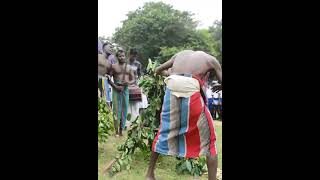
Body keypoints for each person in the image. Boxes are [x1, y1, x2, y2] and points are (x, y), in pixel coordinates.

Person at [146, 50, 222, 180]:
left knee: (163, 132)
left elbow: (158, 70)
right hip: (190, 90)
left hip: (171, 90)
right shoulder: (211, 60)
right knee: (210, 141)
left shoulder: (179, 54)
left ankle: (149, 174)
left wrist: (170, 75)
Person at [104, 49, 136, 136]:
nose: (122, 57)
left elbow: (133, 79)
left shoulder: (129, 67)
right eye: (120, 56)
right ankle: (116, 130)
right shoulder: (113, 66)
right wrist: (115, 86)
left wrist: (128, 83)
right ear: (117, 57)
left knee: (124, 109)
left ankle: (121, 129)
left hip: (125, 89)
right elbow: (108, 78)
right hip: (116, 89)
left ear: (125, 56)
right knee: (116, 110)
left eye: (123, 56)